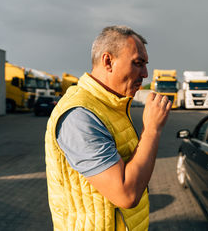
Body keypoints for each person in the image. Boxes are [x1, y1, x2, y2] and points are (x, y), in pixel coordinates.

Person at [45, 25, 172, 231]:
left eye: (145, 65)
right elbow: (126, 195)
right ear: (108, 61)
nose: (145, 73)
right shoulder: (80, 115)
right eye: (138, 63)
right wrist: (152, 129)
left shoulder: (111, 105)